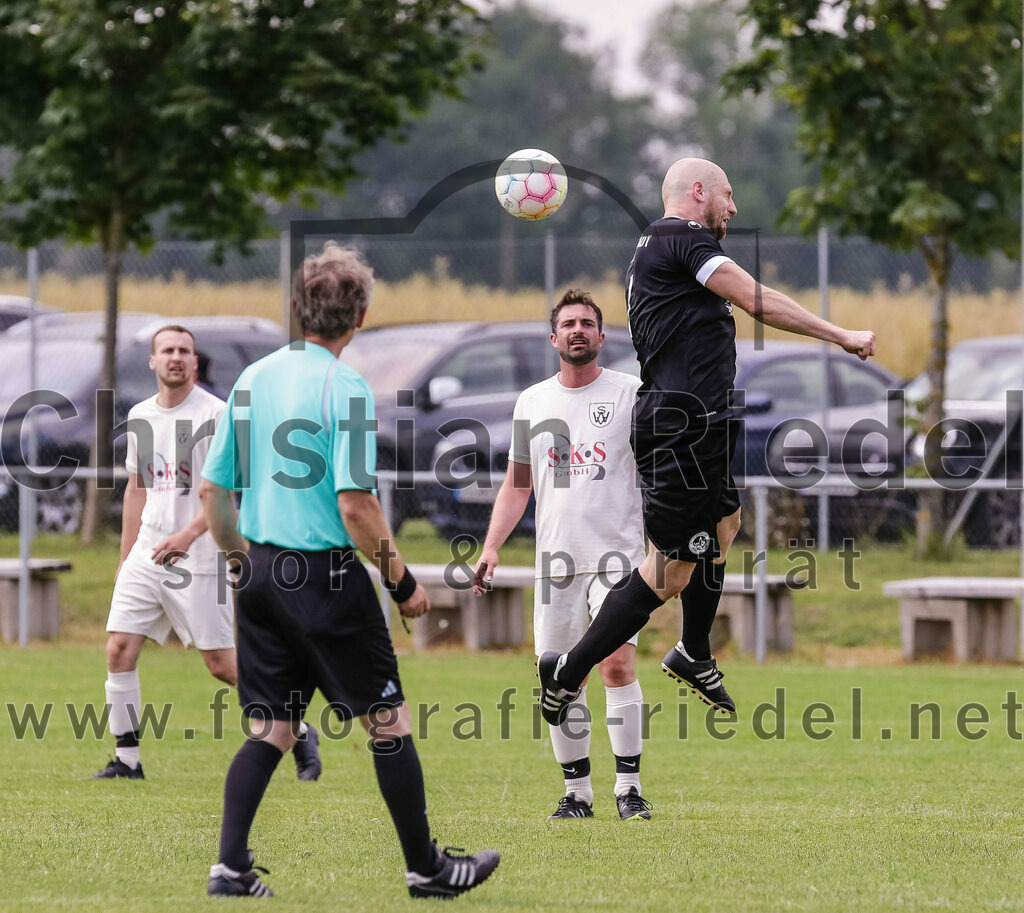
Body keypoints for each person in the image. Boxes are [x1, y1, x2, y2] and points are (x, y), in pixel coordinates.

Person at [199, 243, 500, 900]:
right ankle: (426, 868)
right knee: (387, 720)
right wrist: (402, 581)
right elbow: (356, 506)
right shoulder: (348, 387)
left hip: (260, 569)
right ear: (359, 315)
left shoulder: (253, 378)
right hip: (325, 578)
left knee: (274, 728)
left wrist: (238, 560)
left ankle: (230, 866)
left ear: (297, 307)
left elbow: (213, 491)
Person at [537, 157, 876, 724]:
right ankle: (568, 671)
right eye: (728, 195)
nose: (734, 208)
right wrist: (839, 334)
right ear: (699, 192)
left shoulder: (666, 246)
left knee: (724, 527)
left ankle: (694, 650)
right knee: (669, 570)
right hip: (679, 427)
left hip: (704, 424)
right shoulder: (679, 235)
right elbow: (758, 300)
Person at [93, 324, 321, 782]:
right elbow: (137, 491)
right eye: (167, 350)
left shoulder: (217, 415)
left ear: (195, 363)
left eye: (185, 351)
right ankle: (127, 762)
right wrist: (125, 560)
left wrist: (188, 535)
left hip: (199, 556)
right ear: (152, 362)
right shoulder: (140, 415)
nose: (176, 357)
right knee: (118, 648)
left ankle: (299, 730)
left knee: (221, 666)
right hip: (147, 552)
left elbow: (227, 491)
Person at [471, 290, 652, 822]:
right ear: (554, 339)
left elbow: (658, 475)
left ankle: (629, 790)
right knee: (557, 674)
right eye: (568, 323)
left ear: (601, 336)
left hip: (619, 558)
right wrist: (491, 547)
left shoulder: (632, 395)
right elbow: (517, 485)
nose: (577, 330)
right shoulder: (532, 401)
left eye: (587, 323)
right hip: (556, 564)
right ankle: (577, 795)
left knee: (616, 664)